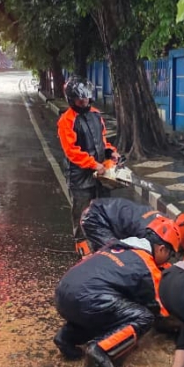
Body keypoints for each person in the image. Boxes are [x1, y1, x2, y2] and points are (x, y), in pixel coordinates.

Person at [53, 216, 181, 367]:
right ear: (162, 249)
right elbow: (161, 310)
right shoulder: (147, 265)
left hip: (63, 293)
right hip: (88, 301)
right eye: (170, 255)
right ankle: (101, 349)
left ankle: (66, 337)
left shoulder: (118, 245)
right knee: (144, 317)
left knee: (108, 310)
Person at [57, 76, 119, 257]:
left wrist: (111, 153)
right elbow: (72, 151)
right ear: (71, 99)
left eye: (85, 98)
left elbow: (103, 141)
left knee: (103, 208)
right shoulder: (66, 121)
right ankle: (82, 246)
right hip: (80, 175)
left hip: (100, 173)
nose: (83, 102)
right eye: (79, 99)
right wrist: (93, 164)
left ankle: (104, 244)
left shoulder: (96, 114)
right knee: (81, 210)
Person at [79, 197, 161, 254]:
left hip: (103, 210)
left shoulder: (159, 220)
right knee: (115, 252)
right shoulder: (147, 233)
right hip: (94, 219)